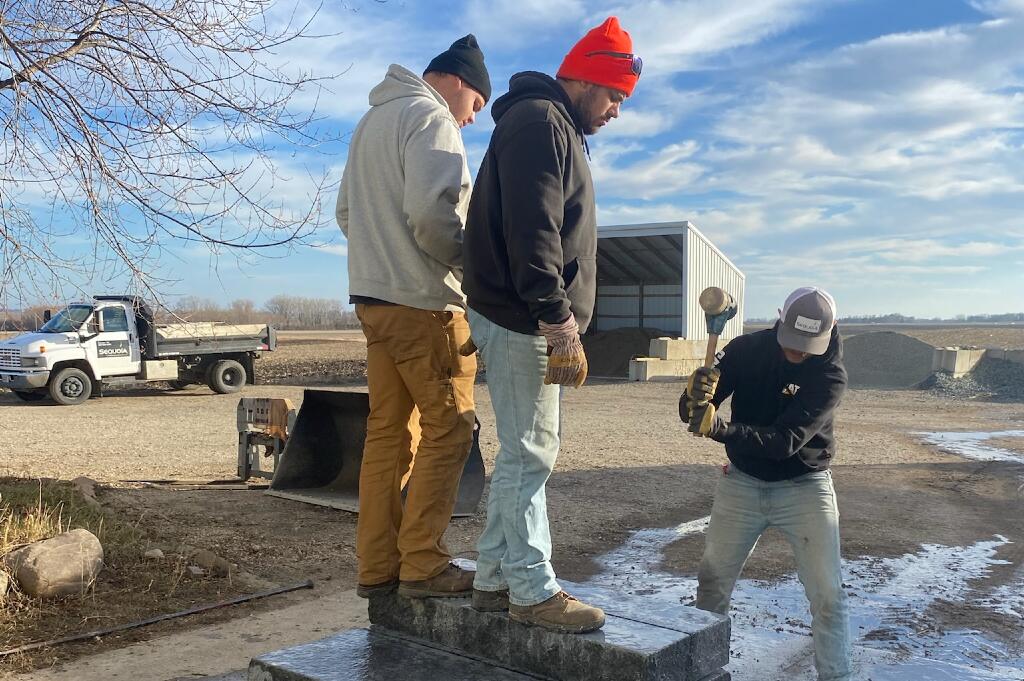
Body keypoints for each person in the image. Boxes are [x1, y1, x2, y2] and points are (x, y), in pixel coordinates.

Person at [460, 17, 641, 633]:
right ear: (587, 79)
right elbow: (533, 232)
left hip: (516, 315)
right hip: (524, 319)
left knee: (520, 453)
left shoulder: (547, 124)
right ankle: (533, 589)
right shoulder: (540, 124)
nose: (616, 110)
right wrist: (558, 319)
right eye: (615, 95)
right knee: (532, 453)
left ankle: (493, 577)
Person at [335, 35, 491, 600]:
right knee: (450, 430)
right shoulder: (431, 118)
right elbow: (433, 217)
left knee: (388, 436)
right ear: (456, 82)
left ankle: (378, 566)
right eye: (476, 106)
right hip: (424, 307)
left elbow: (346, 213)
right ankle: (423, 562)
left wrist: (382, 263)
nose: (471, 120)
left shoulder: (370, 123)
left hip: (373, 304)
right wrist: (476, 272)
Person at [682, 286, 852, 680]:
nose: (799, 352)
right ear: (780, 320)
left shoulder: (829, 375)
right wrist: (693, 396)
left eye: (809, 345)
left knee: (828, 595)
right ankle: (703, 672)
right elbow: (695, 412)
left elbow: (784, 443)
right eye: (793, 341)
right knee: (711, 585)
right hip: (742, 482)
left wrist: (719, 430)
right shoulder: (745, 350)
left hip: (805, 487)